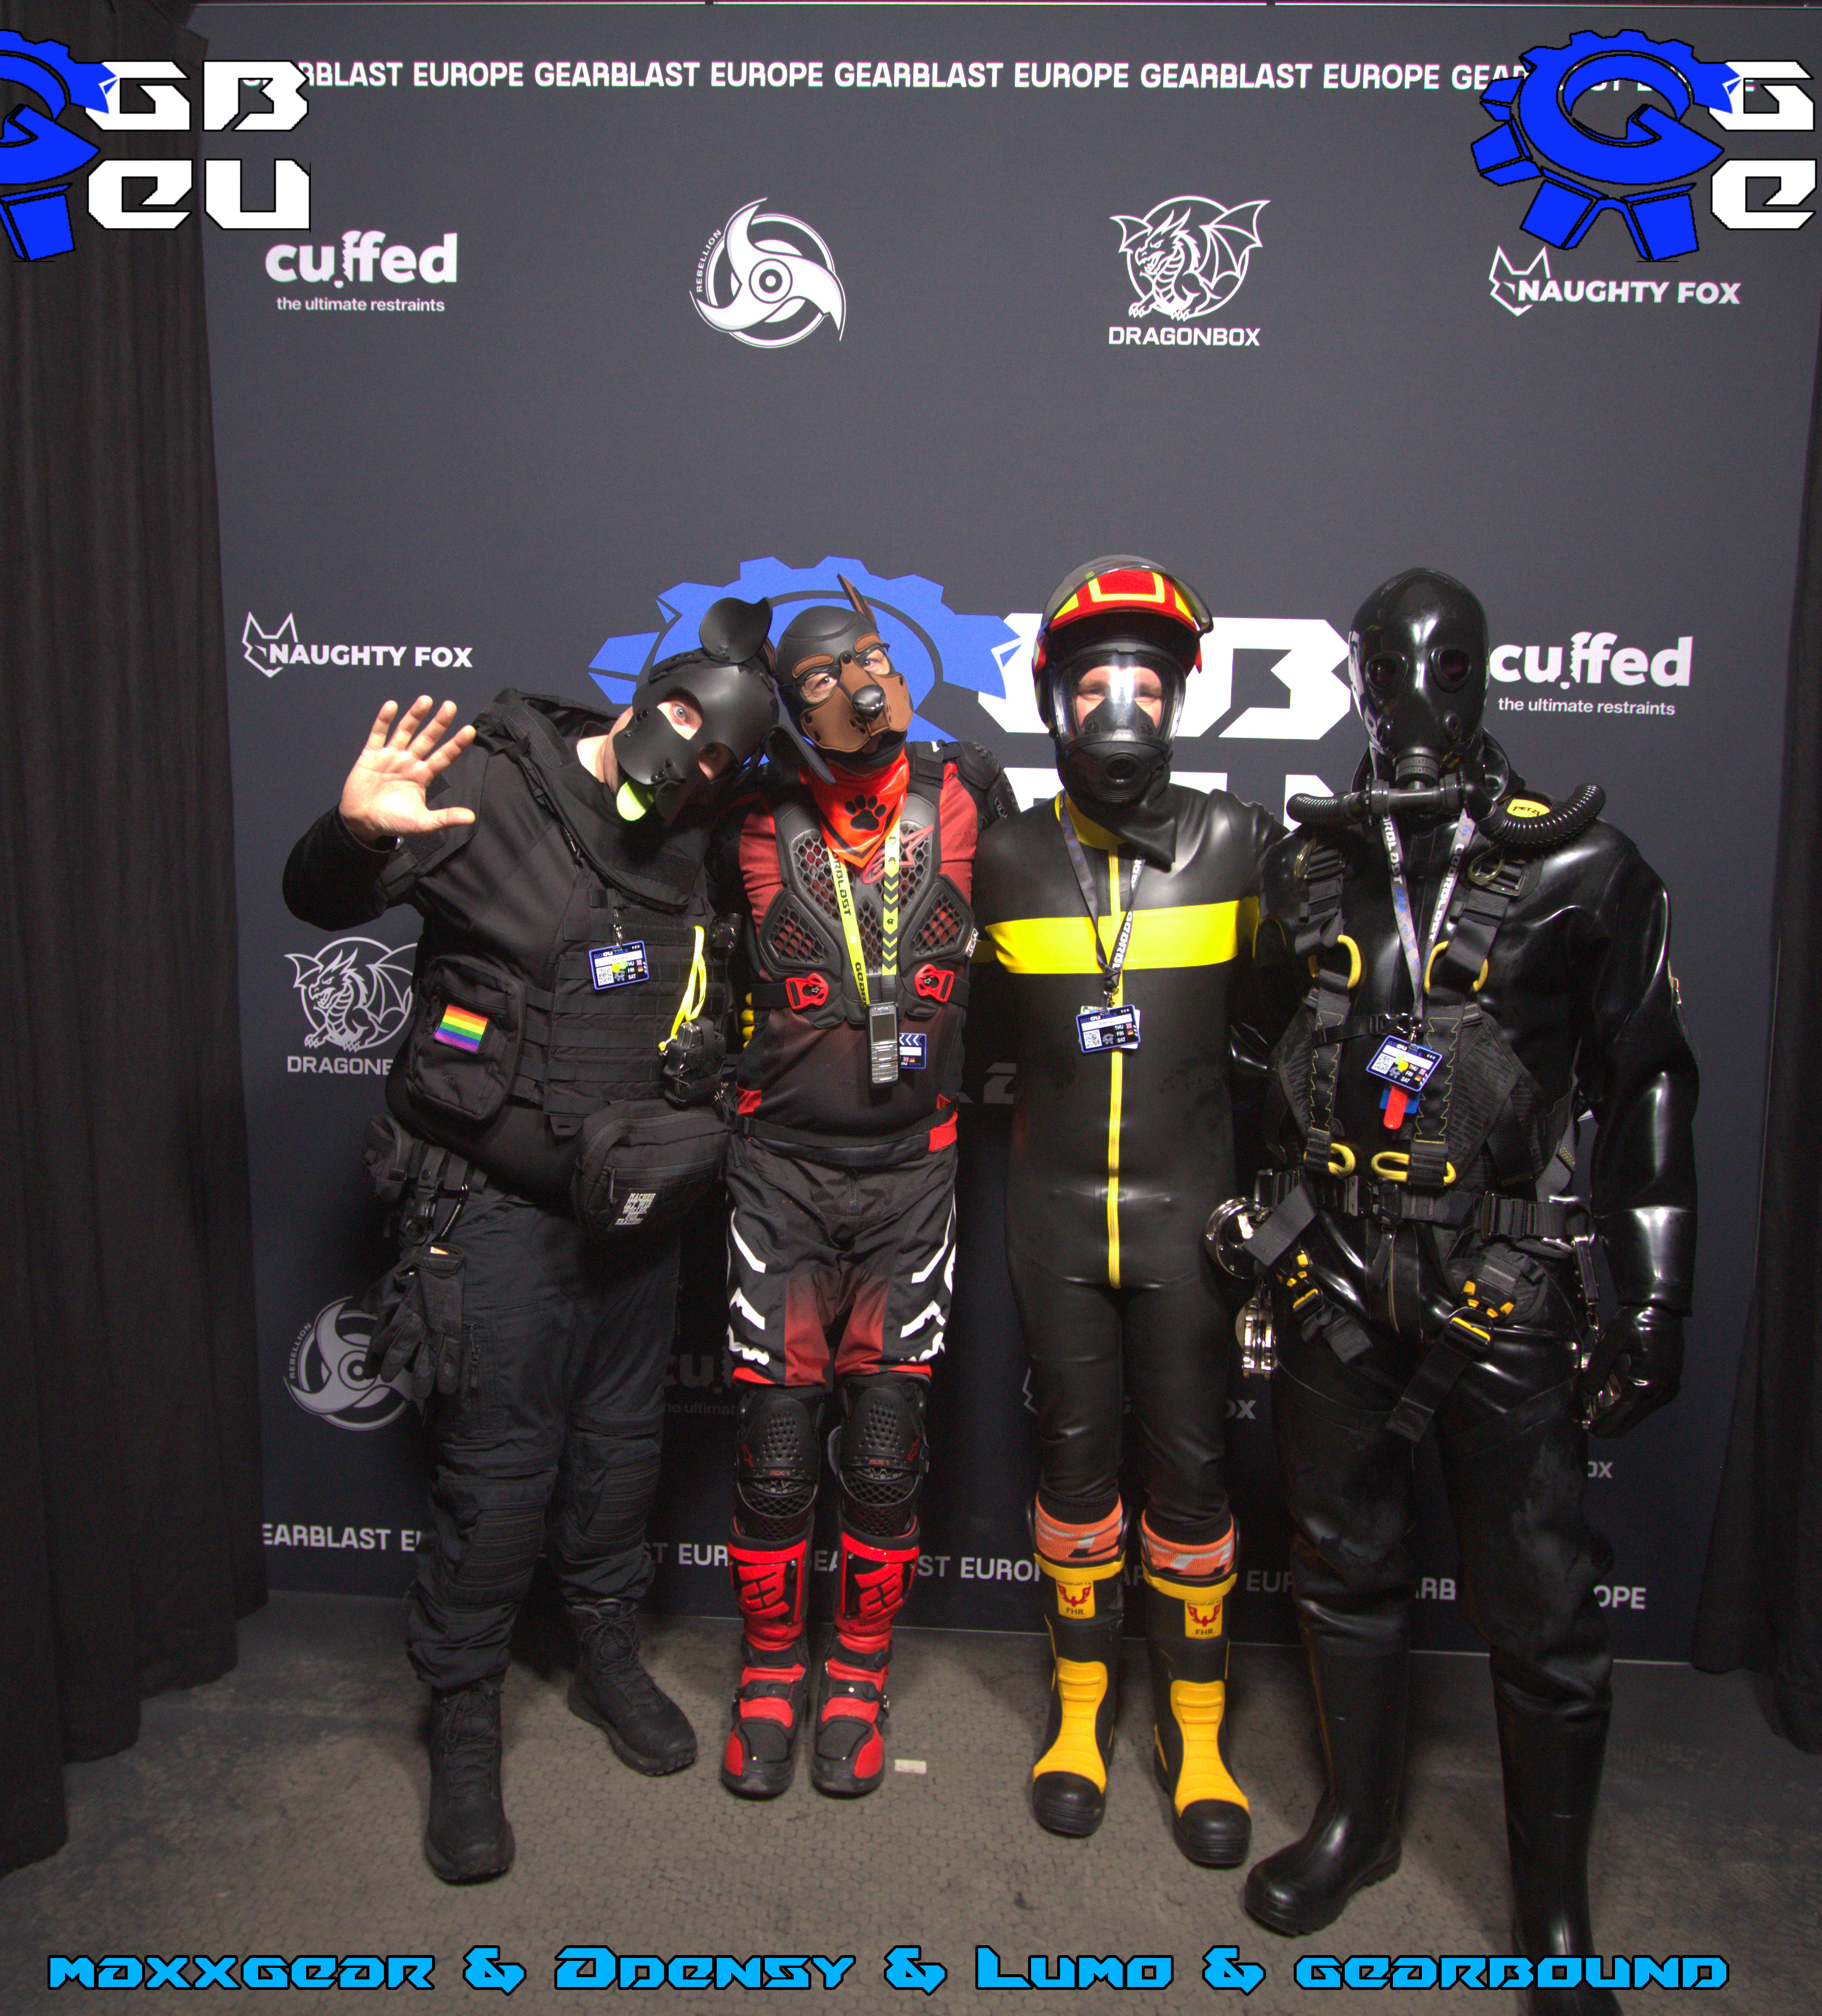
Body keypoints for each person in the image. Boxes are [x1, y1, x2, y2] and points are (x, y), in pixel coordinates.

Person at [1235, 568, 1696, 2014]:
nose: (1416, 700)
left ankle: (1552, 1916)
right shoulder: (1304, 869)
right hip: (1333, 1268)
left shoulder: (1585, 871)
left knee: (1539, 1606)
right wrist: (1263, 1220)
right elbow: (1255, 1054)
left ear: (1486, 679)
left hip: (1502, 1275)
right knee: (1341, 1561)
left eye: (1445, 668)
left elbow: (1648, 1086)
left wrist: (1653, 1295)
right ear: (1356, 685)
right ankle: (1358, 1824)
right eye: (1387, 670)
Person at [282, 618, 778, 1883]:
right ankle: (462, 1712)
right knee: (499, 1477)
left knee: (621, 1453)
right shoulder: (491, 784)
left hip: (636, 1214)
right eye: (686, 726)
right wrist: (355, 834)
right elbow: (320, 897)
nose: (693, 764)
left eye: (721, 759)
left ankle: (605, 1647)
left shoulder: (702, 840)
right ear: (649, 697)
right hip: (492, 1211)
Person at [971, 556, 1282, 1868]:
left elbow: (1287, 1038)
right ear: (1052, 699)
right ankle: (1079, 1714)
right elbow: (973, 1041)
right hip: (1051, 1218)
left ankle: (1197, 1734)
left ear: (1179, 701)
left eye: (1144, 684)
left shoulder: (1241, 845)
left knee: (1195, 1476)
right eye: (1093, 679)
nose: (1118, 706)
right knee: (1072, 1473)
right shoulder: (1002, 856)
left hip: (1190, 1221)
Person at [710, 576, 1014, 1800]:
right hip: (778, 1170)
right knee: (776, 1453)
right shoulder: (745, 809)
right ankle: (769, 1668)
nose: (864, 687)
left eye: (874, 658)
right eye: (828, 676)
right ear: (790, 703)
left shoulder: (966, 787)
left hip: (911, 1174)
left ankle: (856, 1673)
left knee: (884, 1451)